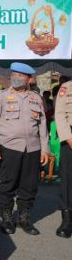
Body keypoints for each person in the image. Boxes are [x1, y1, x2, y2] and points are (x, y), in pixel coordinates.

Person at [0, 62, 49, 235]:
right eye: (14, 74)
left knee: (29, 186)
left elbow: (43, 125)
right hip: (10, 147)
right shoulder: (2, 96)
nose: (16, 78)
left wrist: (45, 149)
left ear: (29, 79)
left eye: (21, 76)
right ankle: (6, 219)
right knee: (8, 184)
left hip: (33, 148)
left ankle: (24, 219)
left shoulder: (36, 98)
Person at [54, 80, 72, 238]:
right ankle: (67, 220)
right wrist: (68, 137)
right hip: (70, 138)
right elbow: (60, 114)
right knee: (67, 179)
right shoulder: (67, 87)